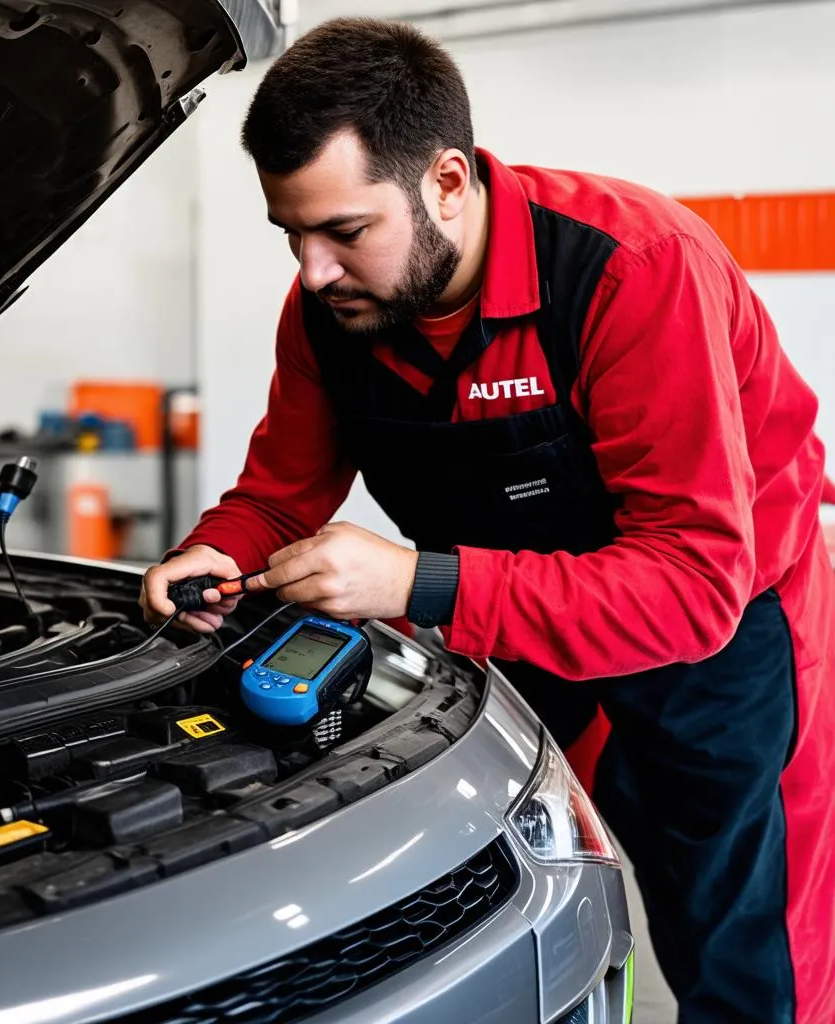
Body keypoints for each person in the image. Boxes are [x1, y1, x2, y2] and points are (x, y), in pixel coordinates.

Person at [140, 17, 834, 1023]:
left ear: (449, 183)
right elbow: (281, 489)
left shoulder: (628, 271)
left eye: (343, 231)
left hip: (718, 641)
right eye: (291, 234)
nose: (314, 269)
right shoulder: (330, 312)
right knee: (514, 885)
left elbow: (690, 587)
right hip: (517, 621)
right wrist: (219, 546)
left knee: (740, 949)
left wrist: (413, 581)